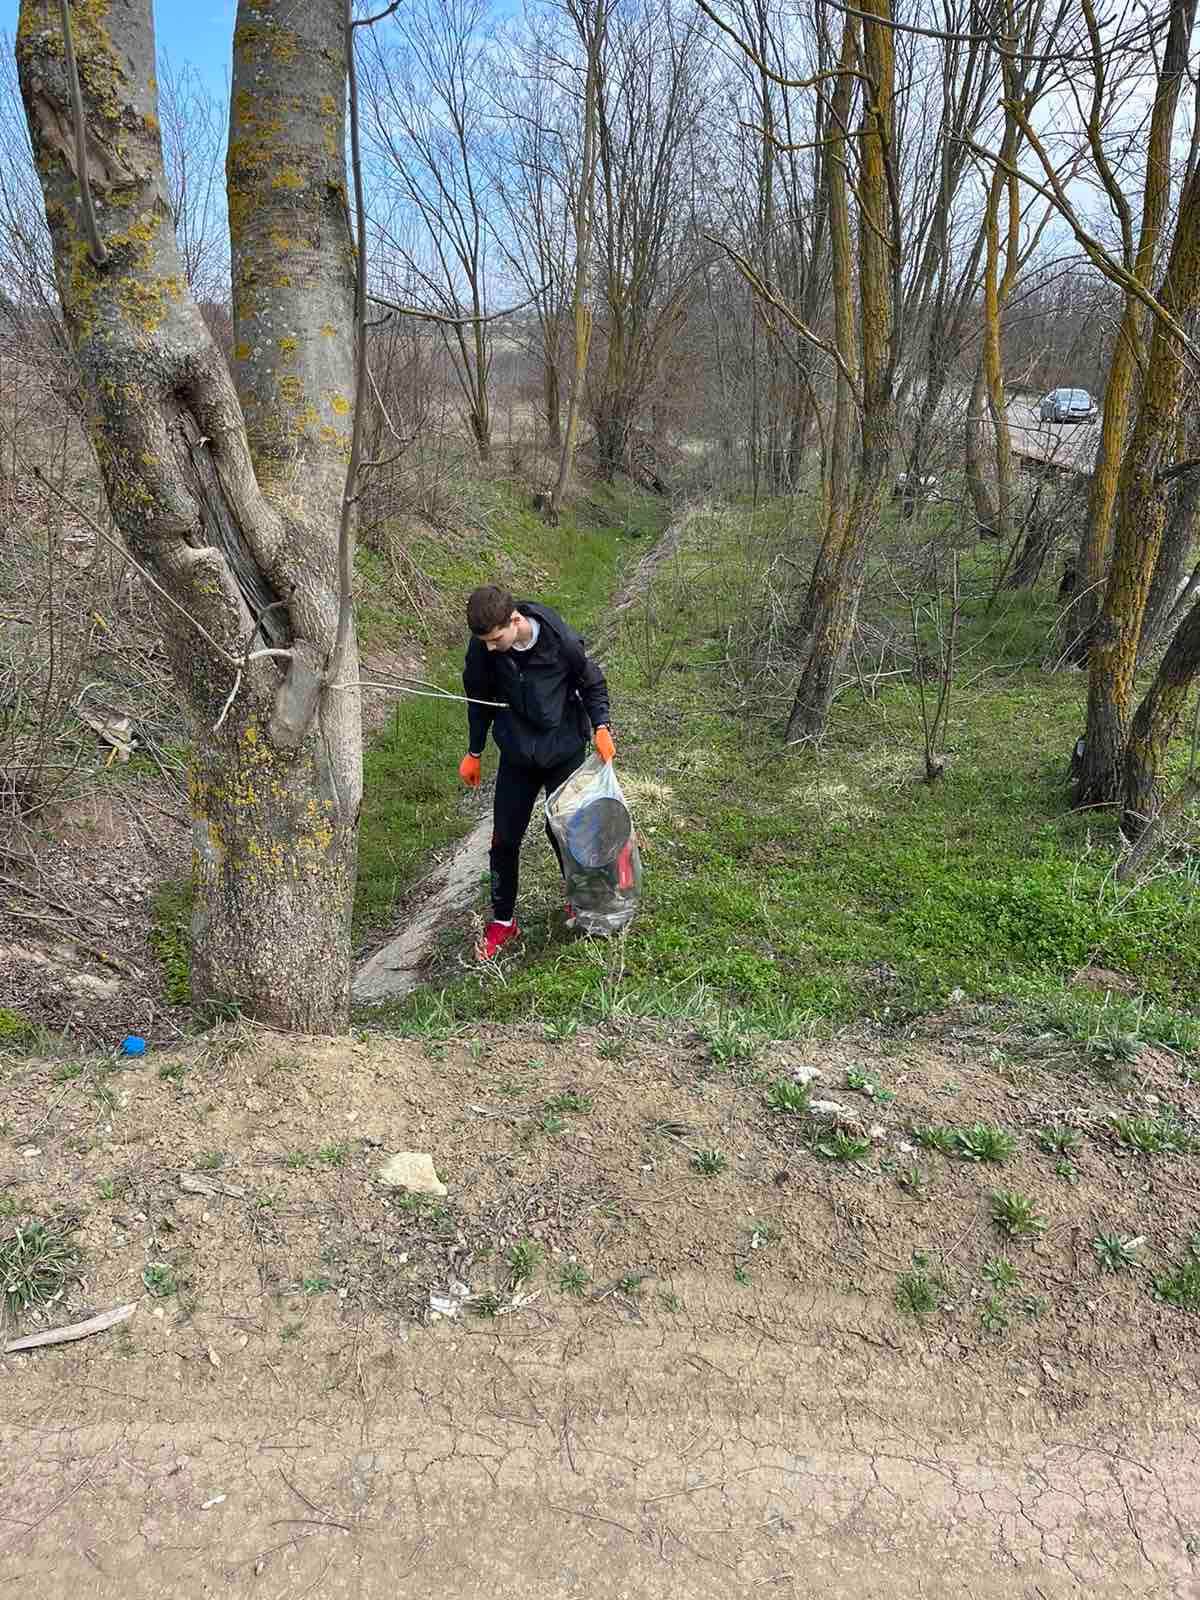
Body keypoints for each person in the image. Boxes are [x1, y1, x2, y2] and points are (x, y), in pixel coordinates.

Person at [458, 585, 615, 960]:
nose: (490, 648)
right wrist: (474, 751)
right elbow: (478, 701)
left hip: (563, 747)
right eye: (484, 642)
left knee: (565, 830)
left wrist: (601, 726)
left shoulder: (561, 642)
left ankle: (581, 900)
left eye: (496, 639)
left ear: (514, 621)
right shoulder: (483, 650)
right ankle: (503, 922)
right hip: (517, 753)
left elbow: (592, 682)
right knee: (504, 838)